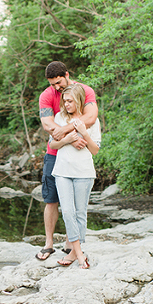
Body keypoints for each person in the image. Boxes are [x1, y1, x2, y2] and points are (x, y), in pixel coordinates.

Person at [36, 61, 99, 261]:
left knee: (75, 206)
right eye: (52, 84)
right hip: (54, 156)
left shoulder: (84, 91)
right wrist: (66, 137)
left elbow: (90, 117)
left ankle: (71, 246)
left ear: (66, 74)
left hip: (78, 156)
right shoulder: (46, 95)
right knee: (51, 199)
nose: (56, 87)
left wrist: (65, 132)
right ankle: (48, 244)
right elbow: (47, 123)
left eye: (58, 82)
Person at [48, 83, 101, 268]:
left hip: (84, 173)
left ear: (79, 100)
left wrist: (84, 134)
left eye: (70, 101)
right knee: (68, 212)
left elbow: (95, 150)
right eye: (65, 101)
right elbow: (52, 145)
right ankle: (80, 255)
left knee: (80, 213)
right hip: (62, 171)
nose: (67, 104)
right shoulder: (60, 117)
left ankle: (72, 253)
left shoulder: (91, 121)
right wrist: (68, 139)